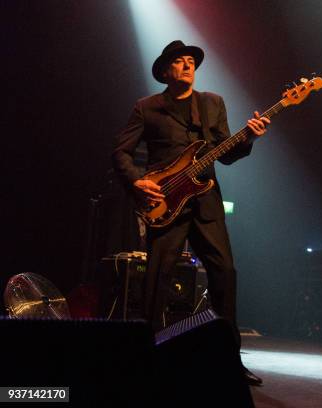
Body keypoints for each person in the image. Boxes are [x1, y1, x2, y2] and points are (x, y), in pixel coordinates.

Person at [112, 40, 269, 386]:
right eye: (179, 62)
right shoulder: (147, 108)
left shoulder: (212, 104)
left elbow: (226, 152)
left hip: (206, 202)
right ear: (165, 72)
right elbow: (120, 153)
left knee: (225, 273)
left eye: (191, 62)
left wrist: (250, 139)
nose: (187, 66)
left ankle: (229, 359)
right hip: (165, 203)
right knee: (156, 279)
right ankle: (145, 355)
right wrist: (138, 182)